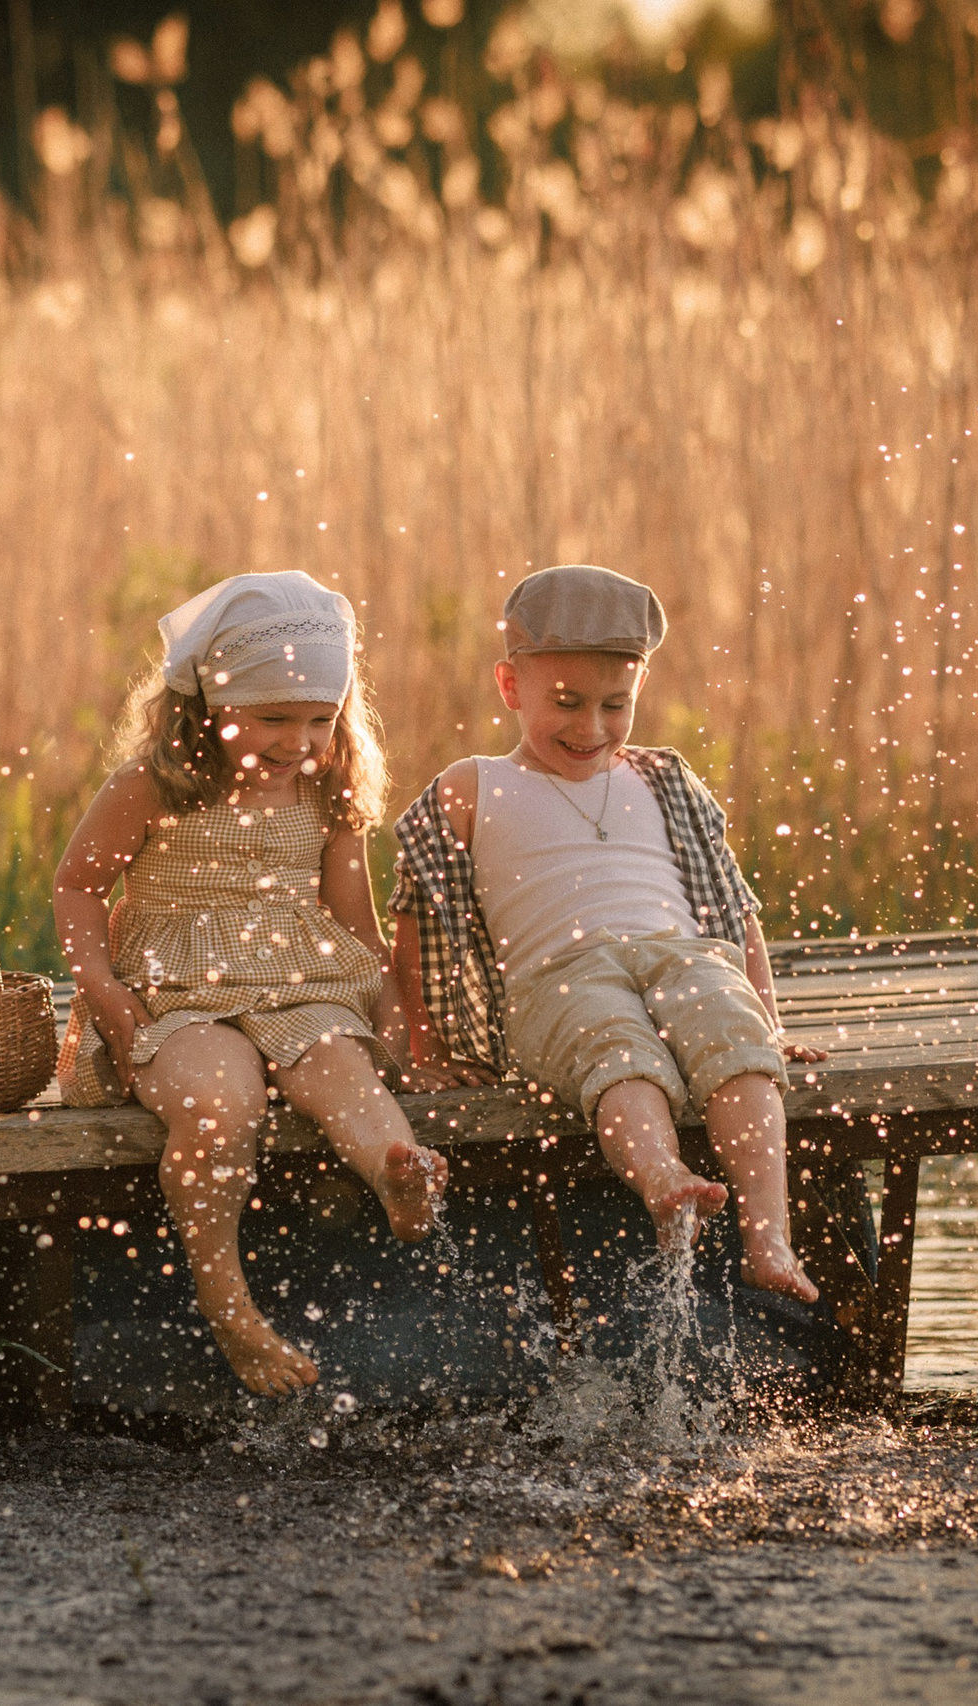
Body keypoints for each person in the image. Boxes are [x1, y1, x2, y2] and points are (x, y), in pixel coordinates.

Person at [55, 571, 449, 1396]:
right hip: (173, 991)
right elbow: (79, 885)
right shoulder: (152, 787)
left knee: (340, 1063)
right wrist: (100, 987)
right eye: (274, 718)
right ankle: (227, 1302)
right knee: (219, 1100)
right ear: (206, 703)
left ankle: (396, 1172)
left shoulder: (327, 789)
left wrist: (395, 1012)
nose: (299, 741)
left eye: (320, 719)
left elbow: (356, 923)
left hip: (299, 978)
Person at [388, 563, 826, 1301]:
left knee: (733, 1038)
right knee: (613, 1046)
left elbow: (731, 906)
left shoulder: (662, 777)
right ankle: (662, 1178)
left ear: (638, 694)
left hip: (685, 956)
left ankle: (768, 1235)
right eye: (565, 703)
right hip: (558, 976)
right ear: (510, 687)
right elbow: (419, 925)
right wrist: (427, 1048)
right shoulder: (473, 787)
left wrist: (769, 1021)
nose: (590, 728)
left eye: (614, 705)